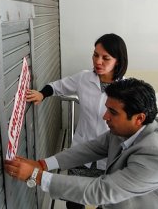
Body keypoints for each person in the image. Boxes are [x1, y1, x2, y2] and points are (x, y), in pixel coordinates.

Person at [5, 78, 158, 209]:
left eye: (113, 112)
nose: (105, 116)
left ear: (139, 118)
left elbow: (102, 190)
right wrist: (43, 165)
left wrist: (37, 176)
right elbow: (91, 148)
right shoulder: (128, 129)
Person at [26, 33, 128, 209]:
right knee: (73, 200)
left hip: (110, 156)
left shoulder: (127, 89)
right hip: (82, 150)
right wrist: (42, 94)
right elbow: (57, 86)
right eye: (95, 55)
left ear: (117, 61)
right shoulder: (84, 78)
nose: (98, 61)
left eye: (106, 58)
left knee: (103, 201)